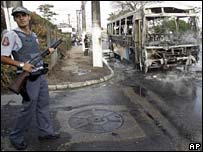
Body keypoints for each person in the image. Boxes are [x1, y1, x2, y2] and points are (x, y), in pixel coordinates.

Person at [1, 6, 60, 150]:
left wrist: (48, 52)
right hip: (27, 79)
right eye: (17, 16)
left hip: (39, 75)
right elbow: (2, 57)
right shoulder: (11, 35)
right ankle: (16, 136)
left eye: (23, 15)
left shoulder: (33, 35)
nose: (21, 18)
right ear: (15, 19)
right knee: (28, 108)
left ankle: (45, 132)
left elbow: (34, 54)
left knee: (43, 105)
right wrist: (21, 64)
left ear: (28, 17)